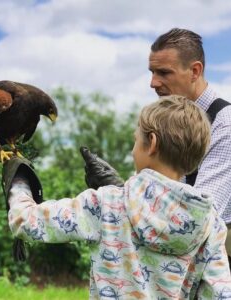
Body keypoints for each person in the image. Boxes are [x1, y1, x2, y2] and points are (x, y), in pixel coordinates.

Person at [2, 95, 231, 299]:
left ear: (151, 143)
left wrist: (19, 176)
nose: (133, 150)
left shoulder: (106, 204)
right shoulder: (212, 225)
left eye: (135, 139)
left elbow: (26, 221)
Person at [84, 28, 231, 267]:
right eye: (152, 72)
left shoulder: (225, 124)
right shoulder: (164, 119)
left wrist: (119, 195)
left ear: (195, 71)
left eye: (164, 72)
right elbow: (153, 197)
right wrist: (121, 191)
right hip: (172, 262)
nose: (153, 83)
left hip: (213, 266)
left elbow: (200, 218)